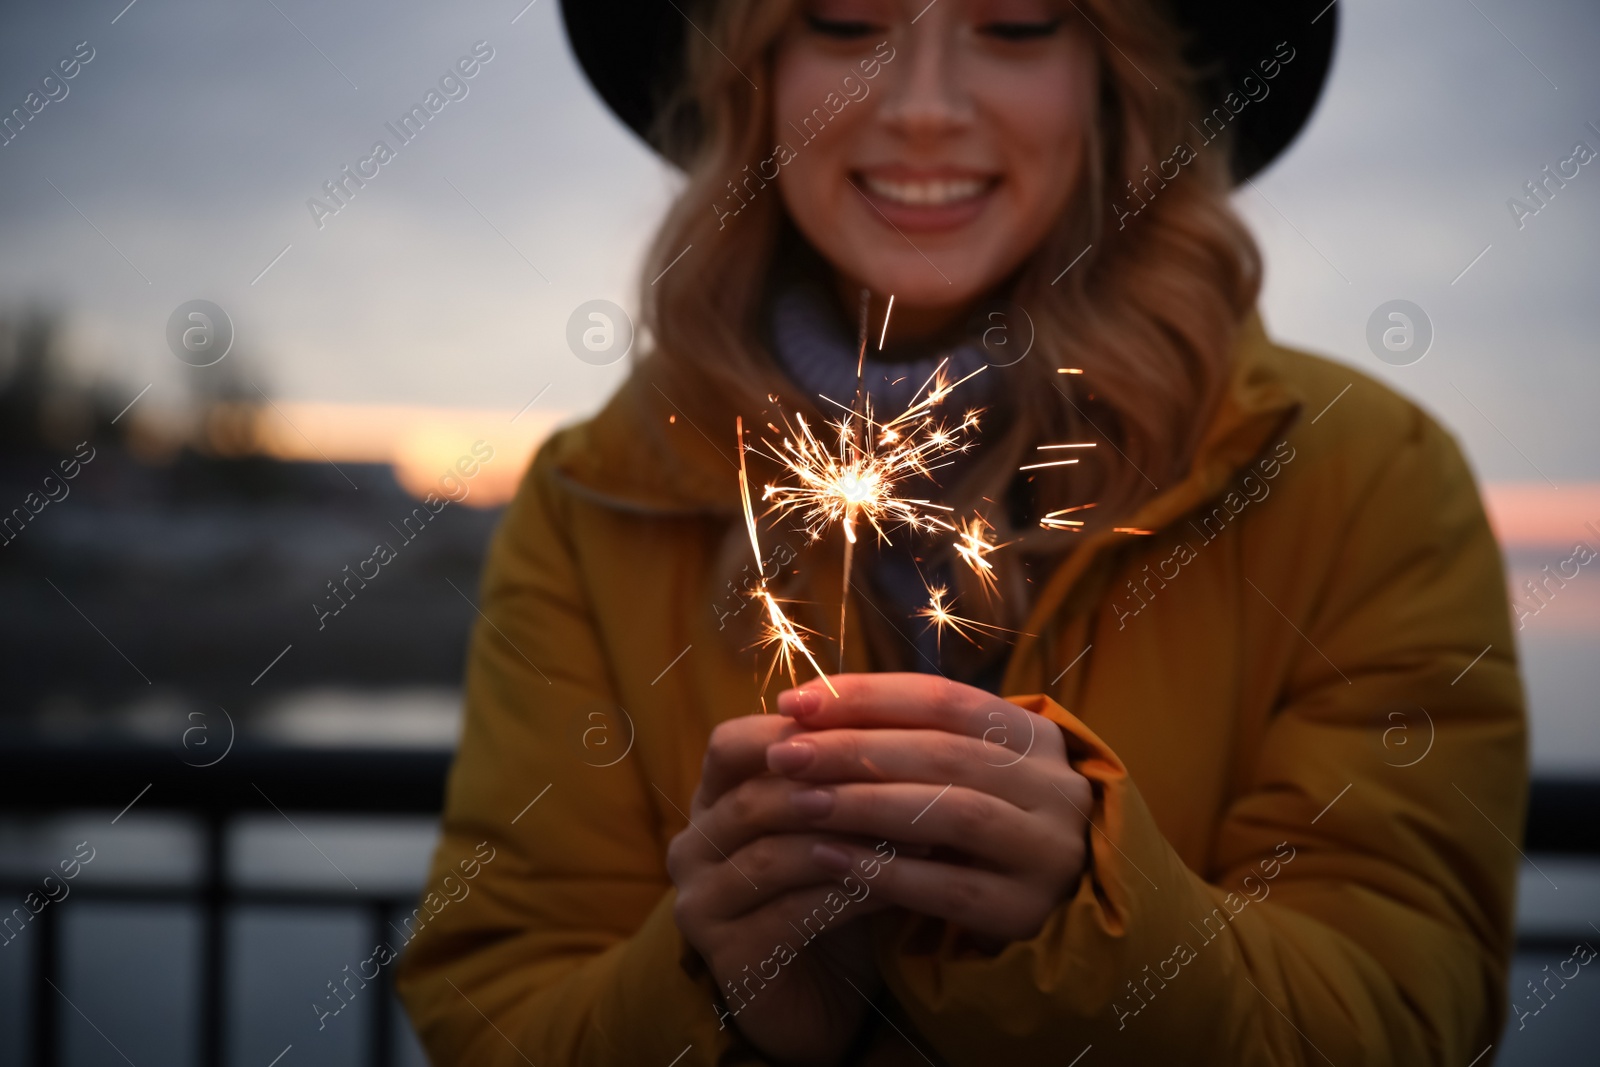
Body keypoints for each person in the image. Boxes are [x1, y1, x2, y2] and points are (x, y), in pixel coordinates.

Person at [395, 1, 1527, 1063]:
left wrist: (1087, 924)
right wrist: (722, 992)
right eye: (845, 22)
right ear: (753, 78)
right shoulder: (596, 497)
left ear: (1112, 78)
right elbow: (500, 1000)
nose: (923, 103)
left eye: (1016, 23)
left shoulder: (1356, 474)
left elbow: (1410, 1004)